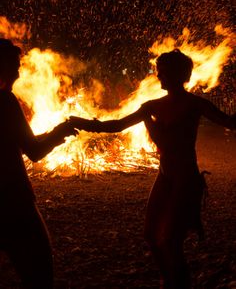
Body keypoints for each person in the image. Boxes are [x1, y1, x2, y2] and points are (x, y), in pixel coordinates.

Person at [69, 49, 236, 289]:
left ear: (181, 75)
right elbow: (117, 125)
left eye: (164, 73)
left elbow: (229, 122)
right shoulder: (152, 106)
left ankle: (177, 284)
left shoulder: (195, 104)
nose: (159, 77)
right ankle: (168, 280)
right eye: (160, 72)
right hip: (165, 175)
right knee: (150, 236)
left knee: (171, 241)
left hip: (185, 179)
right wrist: (82, 123)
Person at [0, 39, 76, 289]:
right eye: (13, 66)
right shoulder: (5, 102)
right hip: (13, 200)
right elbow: (33, 151)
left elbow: (19, 144)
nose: (18, 72)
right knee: (39, 274)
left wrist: (55, 132)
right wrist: (61, 133)